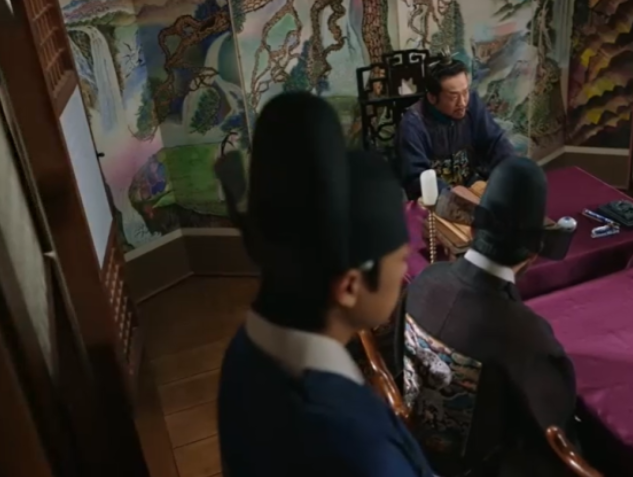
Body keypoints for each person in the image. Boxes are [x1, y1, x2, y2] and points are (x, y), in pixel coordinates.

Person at [215, 92, 433, 477]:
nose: (403, 273)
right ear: (349, 286)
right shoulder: (356, 446)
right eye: (400, 261)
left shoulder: (247, 348)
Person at [396, 157, 578, 477]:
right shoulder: (528, 339)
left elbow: (398, 361)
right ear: (534, 253)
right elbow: (553, 434)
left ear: (472, 228)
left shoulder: (424, 281)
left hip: (410, 449)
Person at [398, 58, 517, 201]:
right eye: (453, 97)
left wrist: (512, 172)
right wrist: (456, 198)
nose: (462, 103)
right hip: (436, 201)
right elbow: (416, 177)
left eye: (465, 92)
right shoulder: (413, 124)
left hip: (473, 188)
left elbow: (496, 142)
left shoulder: (472, 104)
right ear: (432, 97)